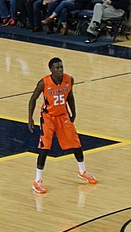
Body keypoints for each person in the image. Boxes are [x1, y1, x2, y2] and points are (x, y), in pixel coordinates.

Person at [27, 58, 97, 194]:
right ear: (51, 70)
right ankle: (37, 181)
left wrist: (74, 112)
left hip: (63, 115)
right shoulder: (43, 83)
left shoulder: (69, 79)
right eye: (57, 68)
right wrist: (30, 119)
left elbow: (70, 96)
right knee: (45, 147)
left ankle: (82, 171)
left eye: (61, 67)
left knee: (76, 143)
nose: (60, 70)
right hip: (48, 117)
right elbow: (32, 99)